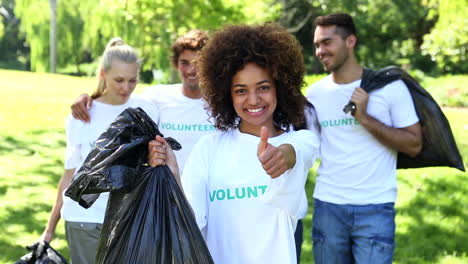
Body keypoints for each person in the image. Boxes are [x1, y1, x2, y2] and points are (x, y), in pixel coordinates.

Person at [149, 23, 320, 264]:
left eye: (263, 87)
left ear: (279, 88)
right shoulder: (208, 148)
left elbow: (302, 151)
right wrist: (173, 172)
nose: (253, 99)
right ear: (226, 95)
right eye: (241, 90)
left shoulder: (297, 140)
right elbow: (190, 220)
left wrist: (284, 155)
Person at [306, 13, 422, 263]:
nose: (319, 51)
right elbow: (308, 147)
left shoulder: (389, 87)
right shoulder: (314, 94)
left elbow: (414, 144)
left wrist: (366, 119)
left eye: (327, 42)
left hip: (375, 207)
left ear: (350, 41)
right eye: (316, 44)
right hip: (328, 206)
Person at [39, 38, 159, 264]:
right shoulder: (82, 116)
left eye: (132, 80)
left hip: (129, 218)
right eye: (119, 80)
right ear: (103, 74)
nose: (126, 87)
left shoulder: (147, 110)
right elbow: (69, 175)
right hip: (84, 219)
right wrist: (49, 229)